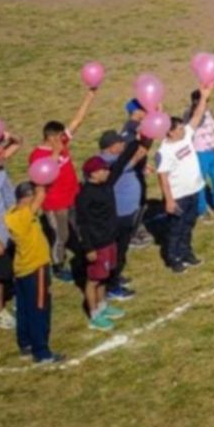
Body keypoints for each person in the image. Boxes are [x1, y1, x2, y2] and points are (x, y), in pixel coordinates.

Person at [74, 134, 147, 331]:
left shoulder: (106, 183)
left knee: (104, 276)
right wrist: (89, 248)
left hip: (109, 240)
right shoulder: (85, 196)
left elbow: (122, 162)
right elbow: (82, 224)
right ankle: (94, 314)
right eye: (103, 169)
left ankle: (103, 305)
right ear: (92, 174)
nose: (107, 171)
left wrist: (139, 140)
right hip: (97, 243)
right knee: (94, 280)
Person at [27, 87, 97, 281]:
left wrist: (90, 96)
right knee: (61, 235)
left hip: (72, 196)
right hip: (55, 204)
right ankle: (58, 264)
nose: (62, 139)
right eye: (58, 137)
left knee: (79, 227)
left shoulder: (61, 141)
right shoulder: (37, 155)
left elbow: (77, 121)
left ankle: (83, 251)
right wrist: (56, 154)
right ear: (50, 137)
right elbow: (41, 178)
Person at [155, 86, 214, 273]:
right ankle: (173, 258)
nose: (183, 130)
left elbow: (196, 117)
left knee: (189, 224)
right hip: (178, 195)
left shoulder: (186, 136)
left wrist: (204, 97)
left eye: (182, 127)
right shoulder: (164, 151)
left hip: (194, 190)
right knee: (175, 228)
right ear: (170, 132)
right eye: (179, 129)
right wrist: (169, 199)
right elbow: (162, 177)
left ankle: (186, 252)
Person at [6, 183, 60, 363]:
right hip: (35, 267)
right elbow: (39, 199)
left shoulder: (12, 214)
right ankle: (42, 351)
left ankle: (25, 343)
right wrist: (41, 185)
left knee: (23, 309)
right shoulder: (23, 216)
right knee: (39, 309)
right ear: (28, 198)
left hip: (21, 268)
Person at [0, 132, 23, 330]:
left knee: (4, 273)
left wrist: (5, 135)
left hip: (6, 231)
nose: (1, 152)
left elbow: (18, 142)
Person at [185, 90, 214, 218]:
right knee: (201, 182)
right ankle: (201, 210)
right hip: (200, 153)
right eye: (204, 101)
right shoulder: (189, 115)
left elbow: (213, 131)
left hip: (212, 150)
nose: (207, 104)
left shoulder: (209, 113)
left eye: (207, 101)